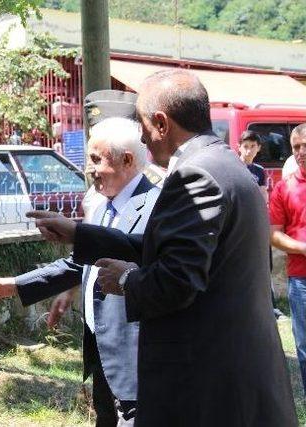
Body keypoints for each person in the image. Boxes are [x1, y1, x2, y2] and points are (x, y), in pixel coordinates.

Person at [25, 69, 297, 426]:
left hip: (206, 382)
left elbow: (177, 280)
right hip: (234, 372)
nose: (141, 137)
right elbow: (169, 248)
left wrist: (126, 282)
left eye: (141, 125)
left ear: (161, 123)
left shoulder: (195, 175)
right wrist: (80, 234)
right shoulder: (224, 162)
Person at [0, 117, 160, 426]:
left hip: (137, 354)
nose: (88, 169)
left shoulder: (156, 207)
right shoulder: (98, 203)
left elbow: (149, 263)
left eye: (96, 160)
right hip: (102, 349)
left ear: (128, 160)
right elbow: (82, 261)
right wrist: (12, 285)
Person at [270, 123, 306, 396]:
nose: (301, 152)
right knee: (304, 349)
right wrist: (303, 248)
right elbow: (274, 235)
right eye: (296, 147)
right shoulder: (284, 189)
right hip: (301, 280)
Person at [238, 130, 268, 202]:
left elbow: (263, 194)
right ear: (239, 147)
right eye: (245, 146)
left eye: (253, 146)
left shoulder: (260, 170)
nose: (249, 151)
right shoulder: (232, 167)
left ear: (258, 148)